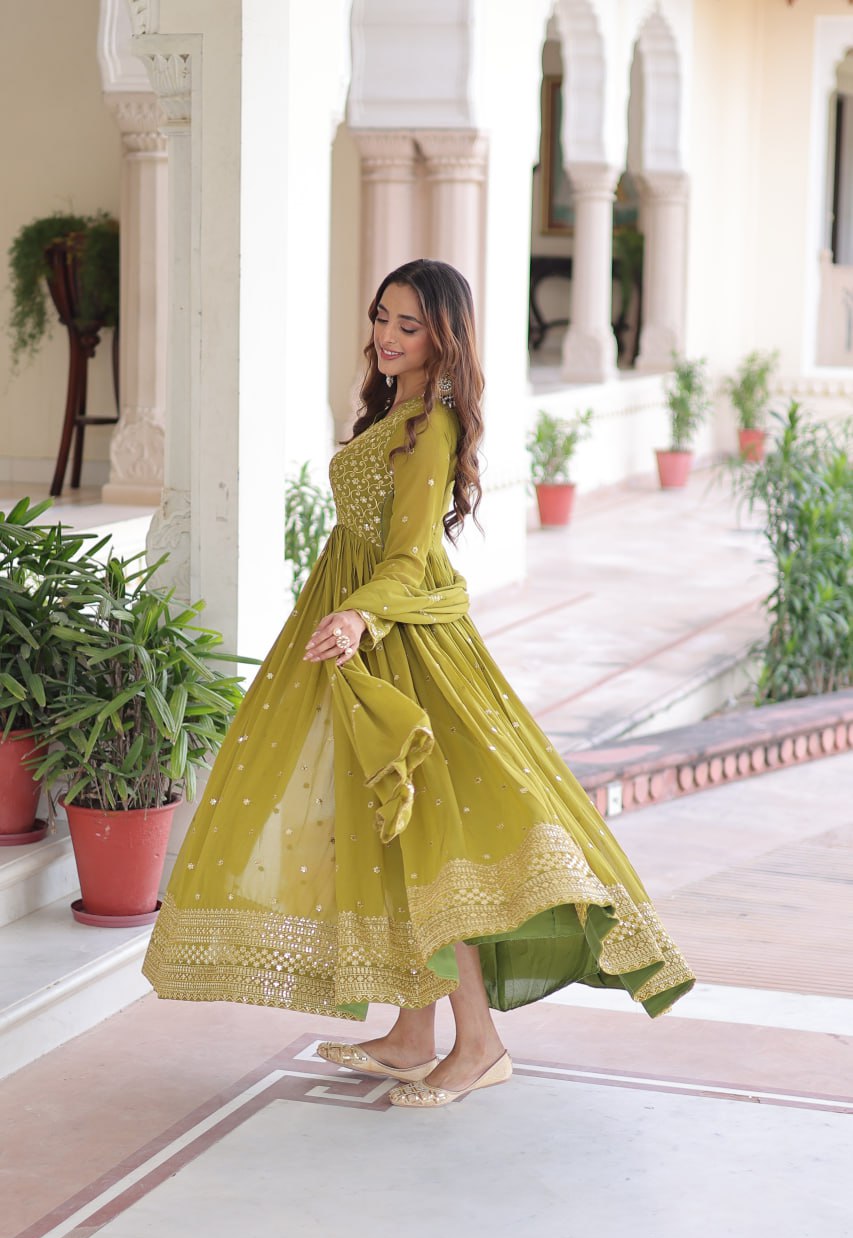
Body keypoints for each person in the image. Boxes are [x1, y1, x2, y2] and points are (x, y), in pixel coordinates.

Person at [143, 259, 694, 1109]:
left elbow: (408, 557)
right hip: (360, 629)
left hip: (398, 641)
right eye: (381, 318)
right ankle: (411, 1035)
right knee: (390, 836)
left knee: (431, 845)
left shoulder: (429, 426)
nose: (387, 337)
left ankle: (479, 1045)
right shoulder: (394, 413)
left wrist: (359, 617)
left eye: (408, 324)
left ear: (444, 336)